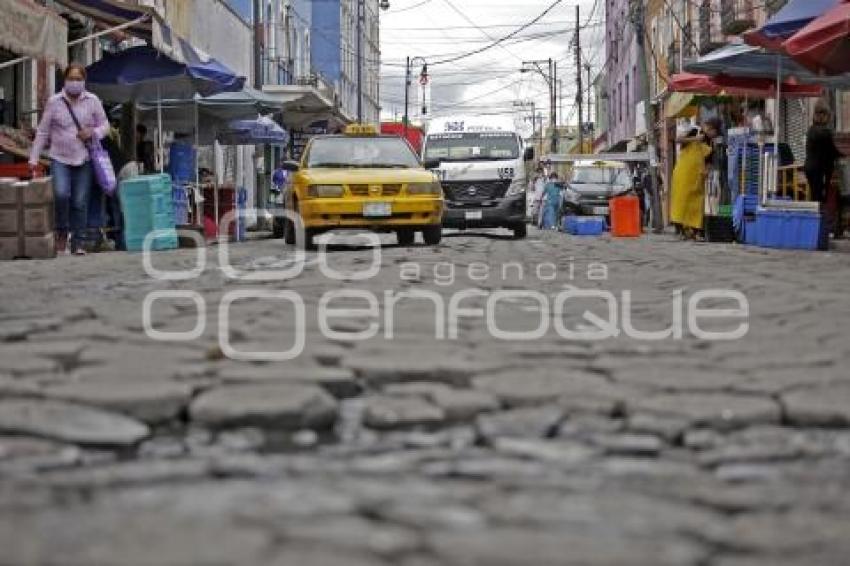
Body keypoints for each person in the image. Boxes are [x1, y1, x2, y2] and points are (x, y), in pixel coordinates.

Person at [29, 62, 109, 255]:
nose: (75, 82)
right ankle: (62, 232)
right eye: (71, 78)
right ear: (64, 81)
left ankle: (79, 242)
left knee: (80, 201)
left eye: (78, 79)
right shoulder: (54, 102)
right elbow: (42, 132)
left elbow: (105, 125)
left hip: (84, 159)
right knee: (61, 194)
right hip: (59, 158)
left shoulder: (93, 100)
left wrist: (93, 132)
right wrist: (34, 157)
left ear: (84, 81)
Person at [670, 119, 720, 240]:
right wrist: (694, 139)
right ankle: (681, 230)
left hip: (697, 176)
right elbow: (677, 140)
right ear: (709, 127)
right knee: (681, 202)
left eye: (715, 134)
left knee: (697, 204)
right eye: (713, 131)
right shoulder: (694, 131)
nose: (713, 135)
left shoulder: (711, 143)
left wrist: (707, 171)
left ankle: (695, 231)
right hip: (683, 174)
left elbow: (709, 160)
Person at [805, 102, 841, 206]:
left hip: (810, 167)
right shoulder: (824, 132)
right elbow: (832, 151)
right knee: (820, 196)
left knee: (815, 194)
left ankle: (817, 216)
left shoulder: (811, 129)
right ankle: (820, 218)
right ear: (823, 116)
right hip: (819, 169)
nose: (829, 119)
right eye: (828, 116)